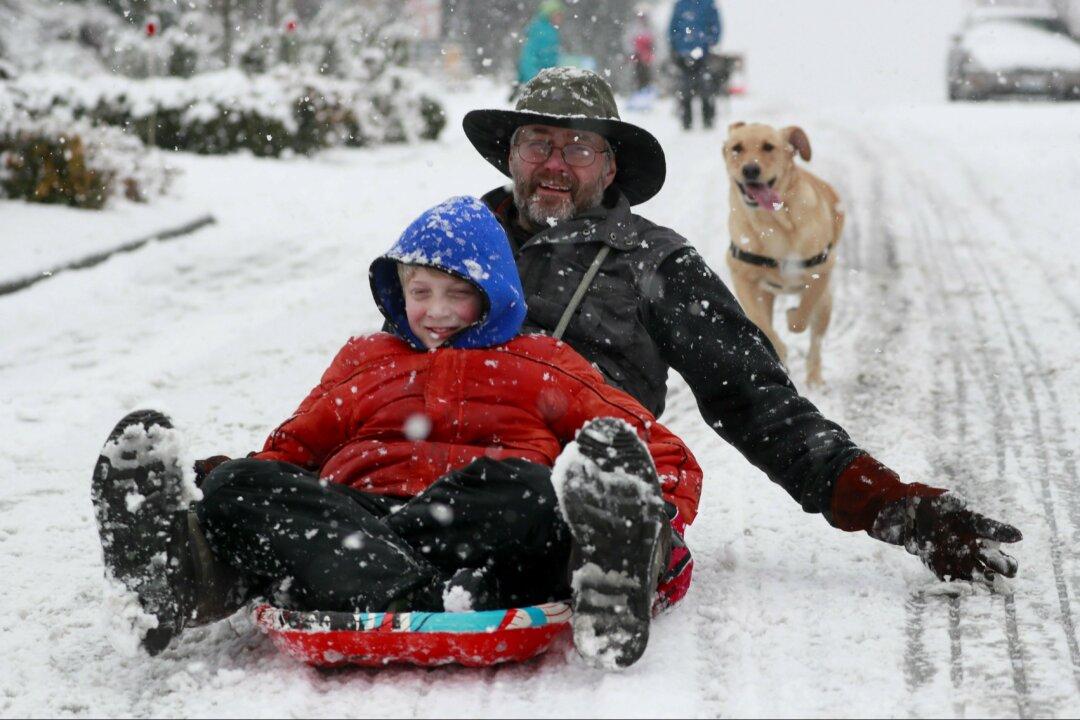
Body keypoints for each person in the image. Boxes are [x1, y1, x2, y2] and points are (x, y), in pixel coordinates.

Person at [461, 67, 1023, 595]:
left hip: (583, 478)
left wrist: (893, 506)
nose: (554, 164)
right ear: (510, 155)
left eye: (579, 148)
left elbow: (758, 403)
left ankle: (619, 555)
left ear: (610, 168)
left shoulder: (656, 263)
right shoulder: (458, 247)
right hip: (449, 471)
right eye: (537, 143)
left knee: (551, 518)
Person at [92, 196, 702, 669]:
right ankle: (177, 577)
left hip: (475, 526)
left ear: (495, 293)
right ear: (398, 289)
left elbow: (659, 451)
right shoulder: (365, 359)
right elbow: (292, 452)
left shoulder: (542, 360)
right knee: (243, 484)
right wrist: (219, 485)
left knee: (529, 487)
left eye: (458, 294)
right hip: (363, 522)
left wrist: (654, 518)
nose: (436, 311)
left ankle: (613, 560)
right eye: (421, 292)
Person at [668, 0, 722, 129]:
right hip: (683, 54)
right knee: (685, 89)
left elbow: (716, 26)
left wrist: (710, 42)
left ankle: (708, 120)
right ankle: (687, 121)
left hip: (703, 53)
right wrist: (675, 46)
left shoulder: (709, 4)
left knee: (706, 87)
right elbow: (672, 27)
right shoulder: (680, 5)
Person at [516, 0, 564, 93]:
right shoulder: (542, 32)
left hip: (545, 81)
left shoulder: (550, 31)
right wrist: (535, 79)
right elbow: (528, 58)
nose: (561, 18)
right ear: (549, 14)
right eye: (558, 14)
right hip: (540, 82)